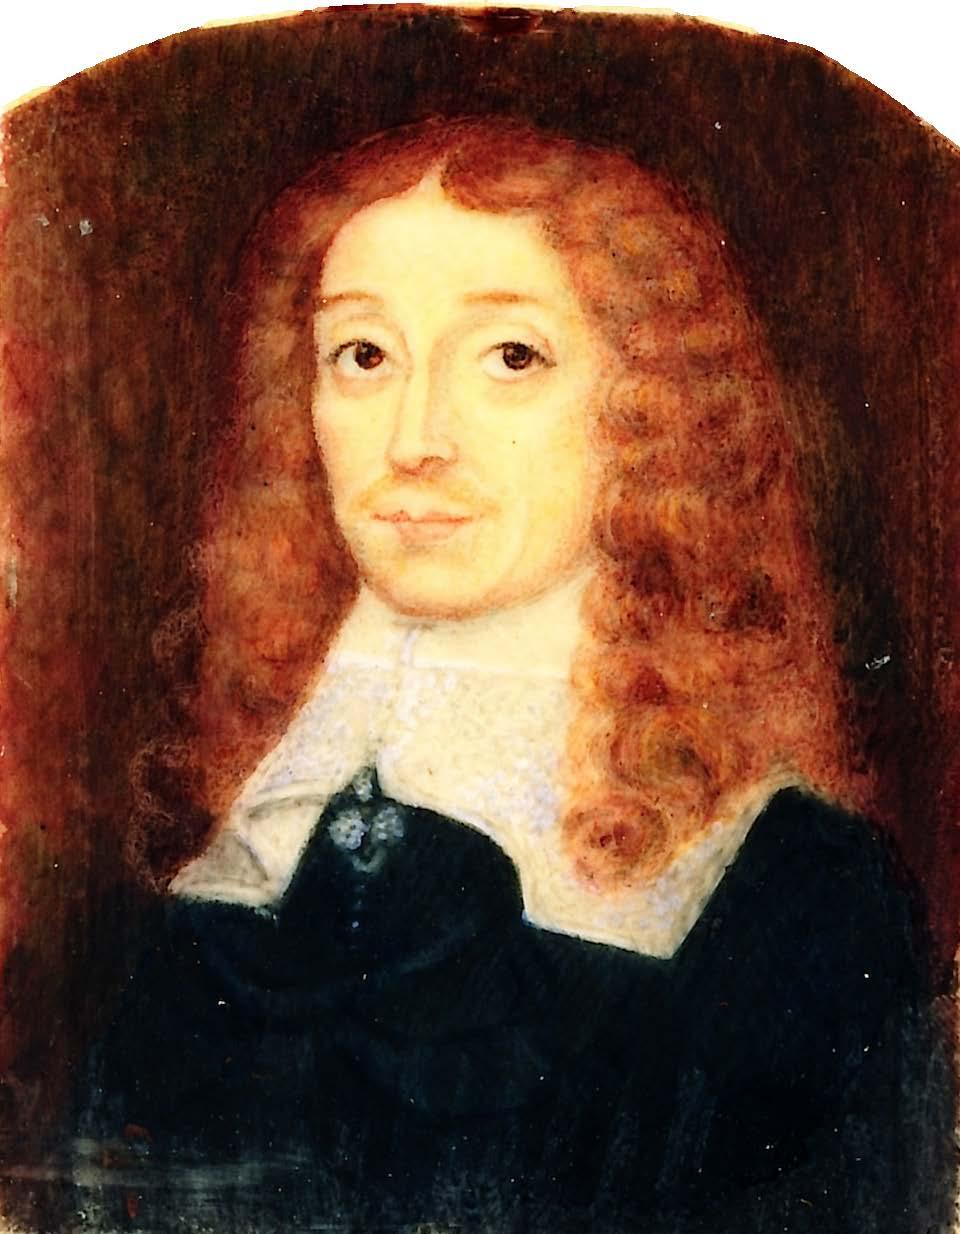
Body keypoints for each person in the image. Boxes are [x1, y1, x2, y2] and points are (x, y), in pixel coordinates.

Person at [74, 118, 952, 1232]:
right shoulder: (258, 847)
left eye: (510, 358)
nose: (416, 439)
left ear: (646, 414)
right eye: (363, 356)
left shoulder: (802, 896)